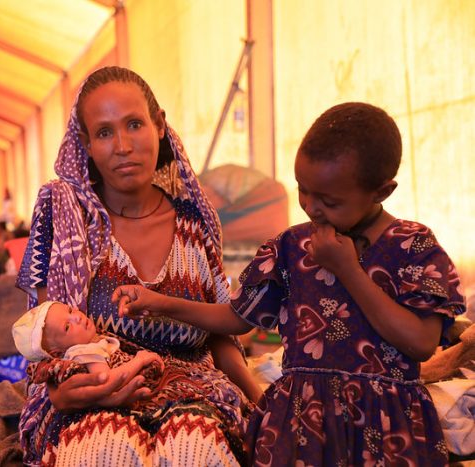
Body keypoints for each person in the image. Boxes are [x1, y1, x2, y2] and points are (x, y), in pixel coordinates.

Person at [114, 102, 466, 465]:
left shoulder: (413, 247)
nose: (311, 207)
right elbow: (237, 319)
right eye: (303, 190)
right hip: (302, 430)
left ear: (381, 192)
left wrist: (348, 270)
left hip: (386, 434)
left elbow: (421, 343)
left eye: (329, 201)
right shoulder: (291, 247)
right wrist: (159, 302)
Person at [15, 66, 259, 466]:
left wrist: (258, 399)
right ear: (86, 143)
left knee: (194, 452)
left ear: (159, 125)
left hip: (193, 391)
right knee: (103, 452)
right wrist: (66, 392)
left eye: (133, 124)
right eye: (105, 132)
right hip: (91, 393)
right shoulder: (66, 219)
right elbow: (45, 338)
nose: (123, 145)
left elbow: (220, 333)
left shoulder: (195, 223)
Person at [12, 300, 163, 384]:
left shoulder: (92, 342)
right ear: (57, 353)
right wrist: (140, 360)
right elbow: (108, 381)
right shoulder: (83, 352)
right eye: (67, 326)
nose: (76, 317)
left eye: (70, 310)